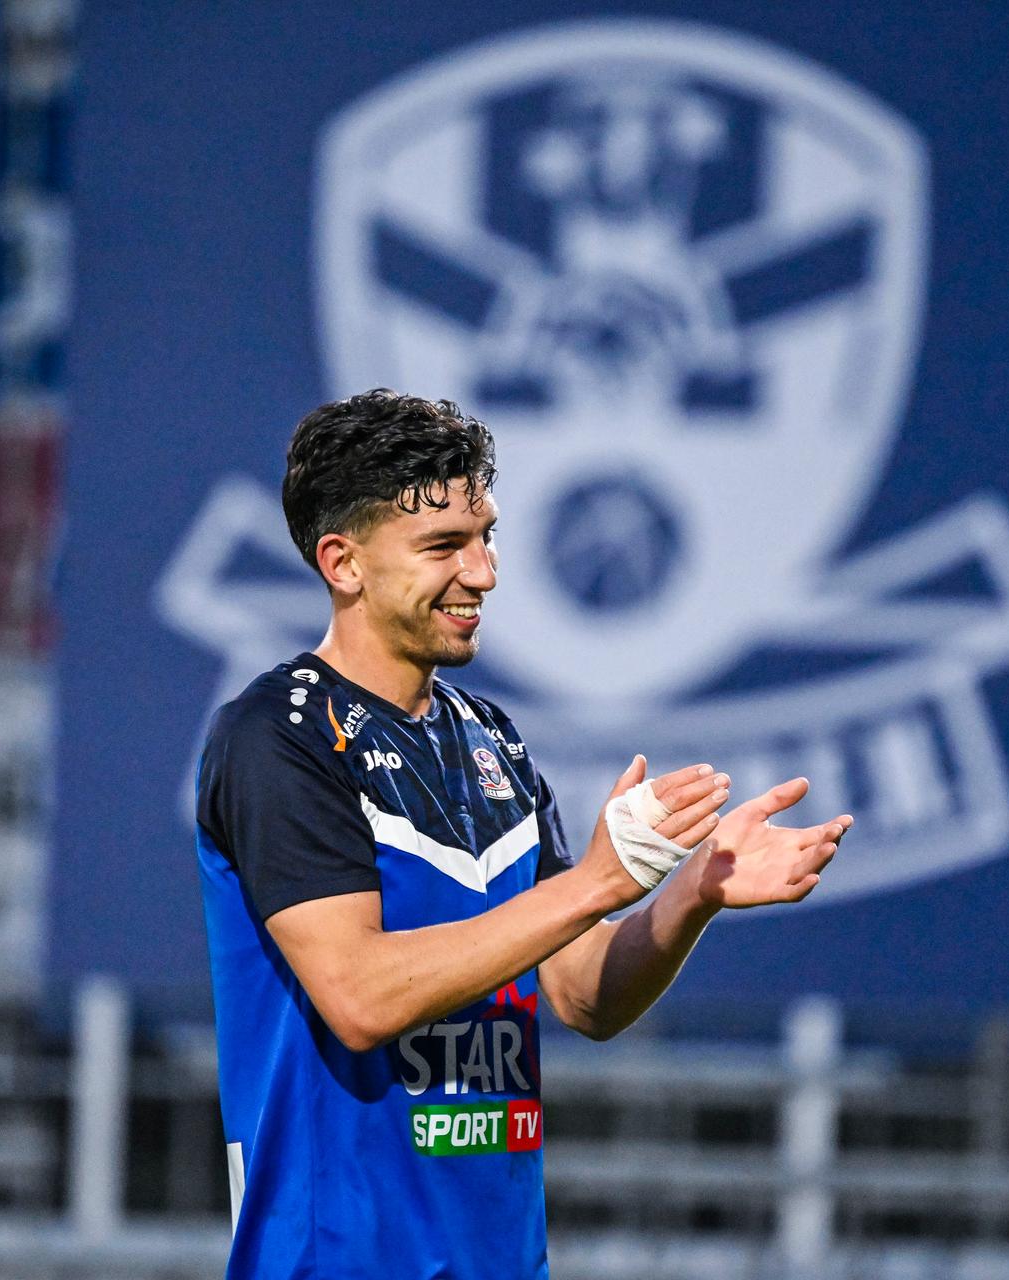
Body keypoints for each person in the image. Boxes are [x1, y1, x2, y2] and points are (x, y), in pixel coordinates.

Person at [194, 389, 851, 1279]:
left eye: (487, 536)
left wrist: (694, 891)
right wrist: (597, 882)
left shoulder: (490, 739)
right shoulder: (279, 734)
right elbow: (359, 997)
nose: (484, 573)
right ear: (343, 563)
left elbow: (582, 996)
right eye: (443, 547)